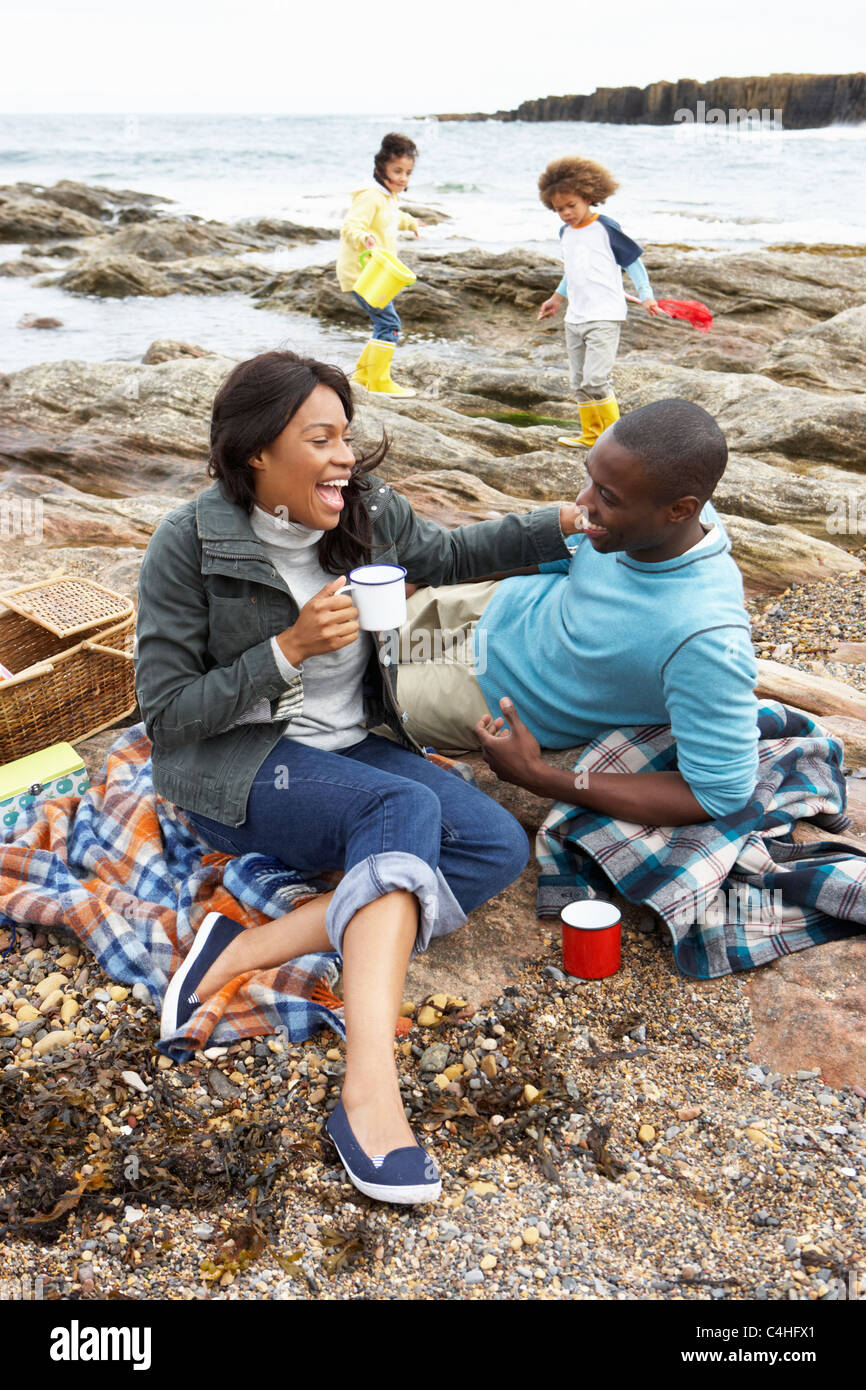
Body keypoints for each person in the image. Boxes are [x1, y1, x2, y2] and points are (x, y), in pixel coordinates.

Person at [134, 350, 582, 1206]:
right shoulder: (186, 545)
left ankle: (253, 942)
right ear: (257, 451)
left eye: (347, 435)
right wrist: (286, 651)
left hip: (349, 751)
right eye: (320, 438)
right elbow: (167, 717)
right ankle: (368, 1088)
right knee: (402, 803)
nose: (345, 456)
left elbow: (447, 555)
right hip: (235, 767)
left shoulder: (363, 512)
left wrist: (557, 523)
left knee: (492, 845)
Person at [396, 398, 760, 828]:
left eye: (606, 496)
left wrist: (542, 778)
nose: (582, 503)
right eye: (589, 475)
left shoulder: (705, 639)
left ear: (681, 509)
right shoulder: (650, 517)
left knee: (338, 697)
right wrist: (439, 572)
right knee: (340, 631)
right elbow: (560, 552)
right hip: (496, 606)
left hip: (490, 692)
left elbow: (720, 792)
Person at [535, 156, 661, 450]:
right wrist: (556, 298)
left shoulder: (606, 227)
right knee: (579, 382)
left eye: (571, 206)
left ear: (588, 196)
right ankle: (591, 435)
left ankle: (618, 440)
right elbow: (573, 270)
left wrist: (646, 295)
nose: (565, 213)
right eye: (558, 209)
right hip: (575, 318)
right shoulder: (565, 233)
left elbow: (633, 263)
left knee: (595, 379)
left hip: (604, 315)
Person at [337, 132, 420, 398]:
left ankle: (363, 375)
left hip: (376, 275)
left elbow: (393, 217)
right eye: (397, 171)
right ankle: (379, 380)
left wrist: (411, 223)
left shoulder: (387, 198)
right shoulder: (370, 196)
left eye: (407, 173)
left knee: (383, 321)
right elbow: (351, 226)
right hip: (362, 275)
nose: (403, 178)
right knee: (389, 323)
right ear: (380, 167)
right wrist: (364, 237)